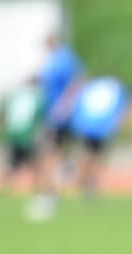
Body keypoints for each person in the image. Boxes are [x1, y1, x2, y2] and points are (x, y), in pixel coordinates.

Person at [36, 32, 86, 217]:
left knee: (47, 153)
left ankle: (50, 195)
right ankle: (67, 173)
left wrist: (66, 105)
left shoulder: (64, 59)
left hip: (60, 115)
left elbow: (78, 81)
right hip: (54, 113)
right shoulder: (54, 60)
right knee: (53, 153)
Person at [67, 75, 129, 202]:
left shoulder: (93, 87)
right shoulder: (114, 89)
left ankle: (86, 181)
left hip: (87, 125)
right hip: (98, 127)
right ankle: (88, 182)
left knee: (89, 154)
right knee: (93, 155)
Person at [0, 76, 44, 200]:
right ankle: (40, 195)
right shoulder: (37, 97)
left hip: (13, 136)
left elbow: (6, 116)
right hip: (27, 137)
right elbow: (40, 117)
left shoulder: (16, 96)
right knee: (36, 167)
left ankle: (0, 192)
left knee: (12, 167)